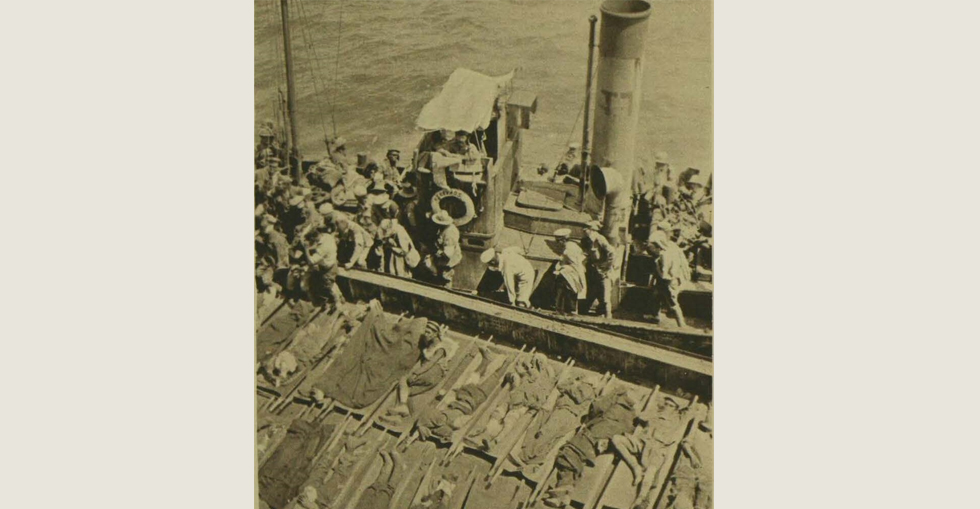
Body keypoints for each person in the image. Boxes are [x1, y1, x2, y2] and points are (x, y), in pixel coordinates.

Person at [610, 396, 687, 509]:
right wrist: (656, 410)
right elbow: (640, 416)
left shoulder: (677, 420)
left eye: (671, 406)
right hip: (642, 444)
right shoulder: (655, 414)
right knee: (617, 439)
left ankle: (640, 499)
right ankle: (636, 467)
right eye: (666, 404)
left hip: (657, 449)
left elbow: (689, 412)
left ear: (675, 409)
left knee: (651, 472)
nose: (667, 407)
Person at [667, 407, 713, 509]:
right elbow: (686, 444)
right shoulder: (697, 432)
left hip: (706, 476)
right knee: (681, 500)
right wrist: (693, 458)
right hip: (689, 471)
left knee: (702, 502)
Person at [646, 230, 691, 328]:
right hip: (667, 281)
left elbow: (664, 274)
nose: (650, 248)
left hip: (668, 282)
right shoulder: (666, 251)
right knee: (656, 296)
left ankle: (681, 324)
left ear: (657, 246)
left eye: (651, 246)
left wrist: (656, 265)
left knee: (672, 304)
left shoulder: (664, 256)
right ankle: (655, 316)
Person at [581, 221, 617, 318]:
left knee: (605, 297)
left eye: (587, 228)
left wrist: (605, 267)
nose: (584, 230)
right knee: (589, 295)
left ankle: (608, 317)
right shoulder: (585, 240)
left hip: (603, 273)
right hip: (592, 272)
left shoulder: (599, 239)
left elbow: (612, 253)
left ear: (593, 230)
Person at [303, 228, 343, 310]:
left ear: (313, 238)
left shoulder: (323, 248)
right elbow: (317, 245)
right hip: (332, 263)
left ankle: (337, 302)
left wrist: (306, 249)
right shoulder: (327, 236)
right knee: (330, 283)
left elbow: (311, 261)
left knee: (328, 286)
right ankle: (339, 297)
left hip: (327, 269)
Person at [553, 228, 588, 315]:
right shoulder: (573, 245)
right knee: (568, 288)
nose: (558, 243)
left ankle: (566, 309)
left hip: (571, 272)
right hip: (572, 271)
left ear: (562, 240)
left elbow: (574, 263)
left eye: (558, 241)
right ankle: (565, 309)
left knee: (568, 289)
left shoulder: (569, 249)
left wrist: (562, 268)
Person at [425, 210, 463, 287]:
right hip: (443, 256)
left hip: (448, 259)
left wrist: (436, 252)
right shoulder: (443, 228)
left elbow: (447, 255)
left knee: (445, 277)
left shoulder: (450, 233)